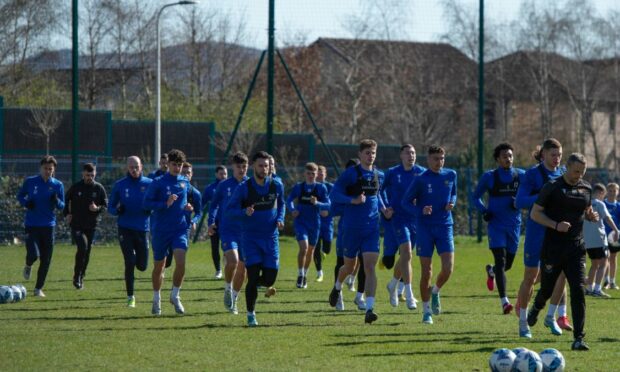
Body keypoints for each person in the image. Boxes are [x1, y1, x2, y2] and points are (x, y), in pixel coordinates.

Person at [527, 153, 599, 351]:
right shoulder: (552, 187)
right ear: (567, 167)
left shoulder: (586, 188)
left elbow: (587, 209)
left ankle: (579, 338)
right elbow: (535, 213)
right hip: (553, 248)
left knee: (578, 290)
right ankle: (536, 307)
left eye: (582, 172)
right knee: (547, 290)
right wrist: (555, 225)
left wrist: (591, 215)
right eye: (576, 171)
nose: (579, 175)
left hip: (576, 248)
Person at [328, 139, 392, 324]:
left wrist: (384, 209)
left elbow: (377, 195)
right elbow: (334, 194)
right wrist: (352, 200)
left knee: (370, 267)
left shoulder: (379, 175)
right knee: (349, 267)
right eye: (367, 153)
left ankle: (370, 309)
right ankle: (337, 287)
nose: (370, 156)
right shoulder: (351, 174)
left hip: (371, 228)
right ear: (360, 155)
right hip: (351, 228)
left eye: (373, 153)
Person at [515, 138, 571, 338]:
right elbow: (520, 201)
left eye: (559, 155)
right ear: (544, 155)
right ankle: (523, 323)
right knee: (530, 277)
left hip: (557, 232)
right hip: (537, 231)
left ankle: (552, 316)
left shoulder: (564, 173)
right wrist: (544, 195)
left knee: (560, 274)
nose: (557, 159)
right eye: (553, 155)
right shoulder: (532, 174)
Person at [226, 151, 285, 326]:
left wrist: (280, 218)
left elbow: (281, 204)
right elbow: (229, 211)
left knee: (270, 279)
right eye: (260, 165)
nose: (264, 169)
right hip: (250, 239)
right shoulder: (244, 188)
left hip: (271, 238)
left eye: (266, 165)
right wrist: (244, 212)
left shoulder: (276, 185)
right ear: (254, 167)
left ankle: (251, 288)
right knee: (252, 275)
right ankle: (251, 314)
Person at [401, 145, 457, 325]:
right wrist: (420, 210)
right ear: (428, 160)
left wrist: (452, 203)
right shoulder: (421, 179)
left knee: (448, 268)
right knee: (427, 271)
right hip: (425, 228)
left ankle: (435, 291)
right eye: (435, 159)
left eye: (442, 158)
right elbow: (405, 202)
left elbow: (453, 193)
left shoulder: (451, 175)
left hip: (445, 226)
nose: (439, 162)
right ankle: (426, 312)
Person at [471, 143, 524, 314]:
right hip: (496, 225)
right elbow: (475, 197)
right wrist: (484, 211)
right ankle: (504, 302)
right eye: (504, 156)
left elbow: (532, 192)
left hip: (514, 226)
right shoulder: (490, 177)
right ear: (497, 159)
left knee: (507, 264)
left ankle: (491, 271)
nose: (508, 159)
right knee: (501, 261)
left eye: (510, 155)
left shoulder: (521, 175)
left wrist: (521, 202)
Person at [143, 149, 194, 316]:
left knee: (181, 261)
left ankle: (175, 295)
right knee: (160, 266)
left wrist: (188, 209)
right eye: (174, 164)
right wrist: (165, 203)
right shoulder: (157, 182)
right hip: (160, 230)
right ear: (167, 164)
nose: (177, 168)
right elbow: (147, 203)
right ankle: (157, 298)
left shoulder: (185, 182)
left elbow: (186, 203)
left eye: (179, 165)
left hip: (179, 229)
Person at [383, 144, 425, 310]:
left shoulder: (421, 172)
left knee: (406, 257)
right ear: (401, 155)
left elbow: (428, 192)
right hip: (398, 218)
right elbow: (379, 191)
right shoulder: (393, 172)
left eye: (413, 152)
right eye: (407, 153)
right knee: (406, 252)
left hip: (415, 219)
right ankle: (409, 294)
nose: (411, 155)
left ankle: (393, 284)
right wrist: (385, 207)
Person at [17, 156, 65, 297]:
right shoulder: (31, 182)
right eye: (45, 168)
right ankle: (28, 264)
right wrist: (27, 203)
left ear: (54, 170)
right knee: (33, 255)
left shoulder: (58, 185)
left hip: (49, 226)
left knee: (46, 259)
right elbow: (20, 196)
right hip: (32, 225)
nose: (47, 171)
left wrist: (56, 201)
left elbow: (62, 206)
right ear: (40, 168)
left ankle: (38, 289)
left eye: (50, 169)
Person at [108, 156, 153, 307]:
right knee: (130, 261)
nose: (134, 170)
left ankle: (136, 266)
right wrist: (117, 210)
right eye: (131, 167)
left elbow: (155, 204)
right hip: (125, 228)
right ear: (127, 168)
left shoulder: (149, 184)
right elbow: (111, 207)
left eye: (137, 166)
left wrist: (151, 210)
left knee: (142, 266)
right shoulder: (120, 185)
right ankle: (130, 297)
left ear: (141, 167)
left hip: (143, 229)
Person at [208, 152, 250, 314]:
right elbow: (214, 205)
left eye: (244, 167)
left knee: (243, 269)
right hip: (228, 230)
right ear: (233, 167)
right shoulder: (224, 185)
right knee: (232, 261)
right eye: (239, 167)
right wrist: (211, 222)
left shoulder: (252, 185)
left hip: (246, 232)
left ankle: (235, 298)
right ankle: (227, 287)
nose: (241, 170)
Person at [63, 163, 108, 290]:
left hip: (91, 226)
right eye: (87, 175)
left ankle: (81, 276)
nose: (90, 177)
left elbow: (105, 207)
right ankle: (76, 277)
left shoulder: (99, 188)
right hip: (77, 225)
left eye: (92, 175)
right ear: (83, 174)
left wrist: (97, 208)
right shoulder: (76, 187)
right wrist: (67, 214)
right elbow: (66, 201)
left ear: (95, 174)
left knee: (87, 252)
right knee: (82, 247)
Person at [330, 158, 366, 311]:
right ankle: (338, 294)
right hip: (346, 231)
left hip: (364, 229)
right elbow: (332, 209)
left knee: (365, 262)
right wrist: (350, 203)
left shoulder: (365, 189)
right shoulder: (343, 190)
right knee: (341, 264)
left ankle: (360, 295)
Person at [287, 162, 330, 289]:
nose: (311, 176)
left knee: (310, 251)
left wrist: (317, 203)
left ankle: (305, 275)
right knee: (304, 247)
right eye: (308, 173)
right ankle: (300, 274)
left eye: (313, 173)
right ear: (304, 174)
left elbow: (328, 204)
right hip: (301, 222)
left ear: (316, 174)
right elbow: (288, 199)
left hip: (315, 224)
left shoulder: (321, 188)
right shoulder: (299, 187)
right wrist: (292, 209)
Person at [584, 183, 618, 298]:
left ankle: (589, 288)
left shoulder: (585, 203)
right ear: (601, 193)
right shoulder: (600, 203)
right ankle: (597, 289)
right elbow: (608, 218)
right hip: (599, 238)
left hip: (588, 240)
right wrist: (616, 230)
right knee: (604, 262)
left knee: (594, 264)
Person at [202, 165, 228, 279]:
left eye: (225, 174)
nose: (223, 176)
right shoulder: (210, 188)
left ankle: (227, 262)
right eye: (221, 173)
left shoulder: (230, 187)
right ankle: (218, 270)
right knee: (214, 246)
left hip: (227, 222)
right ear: (216, 174)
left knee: (228, 246)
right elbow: (202, 203)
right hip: (214, 223)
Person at [314, 165, 334, 282]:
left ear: (325, 174)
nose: (320, 174)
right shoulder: (312, 187)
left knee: (327, 249)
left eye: (322, 172)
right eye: (318, 172)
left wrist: (328, 211)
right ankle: (319, 273)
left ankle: (324, 253)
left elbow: (335, 203)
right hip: (315, 222)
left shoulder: (331, 187)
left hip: (327, 223)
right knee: (316, 248)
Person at [603, 183, 620, 289]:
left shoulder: (618, 206)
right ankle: (606, 281)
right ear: (606, 191)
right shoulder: (602, 204)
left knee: (613, 258)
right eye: (610, 190)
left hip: (614, 237)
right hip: (602, 235)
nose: (612, 193)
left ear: (618, 192)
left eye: (614, 191)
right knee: (605, 258)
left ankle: (613, 282)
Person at [181, 162, 203, 240]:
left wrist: (194, 221)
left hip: (184, 228)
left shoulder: (195, 193)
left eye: (188, 172)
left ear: (191, 174)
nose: (186, 175)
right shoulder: (172, 189)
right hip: (169, 226)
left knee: (180, 251)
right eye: (183, 172)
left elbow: (199, 212)